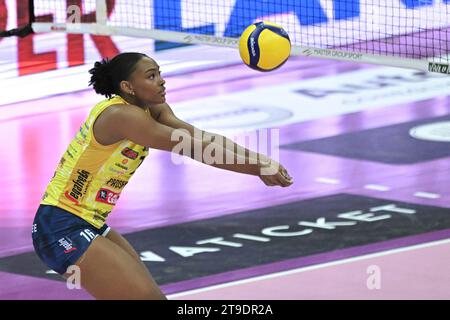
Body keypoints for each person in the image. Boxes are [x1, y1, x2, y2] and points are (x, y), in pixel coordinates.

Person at [31, 52, 293, 300]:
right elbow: (194, 149)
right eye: (151, 76)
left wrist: (259, 159)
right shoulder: (120, 115)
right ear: (128, 87)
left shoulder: (152, 109)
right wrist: (255, 168)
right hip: (60, 225)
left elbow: (202, 137)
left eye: (159, 73)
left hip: (90, 221)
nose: (161, 80)